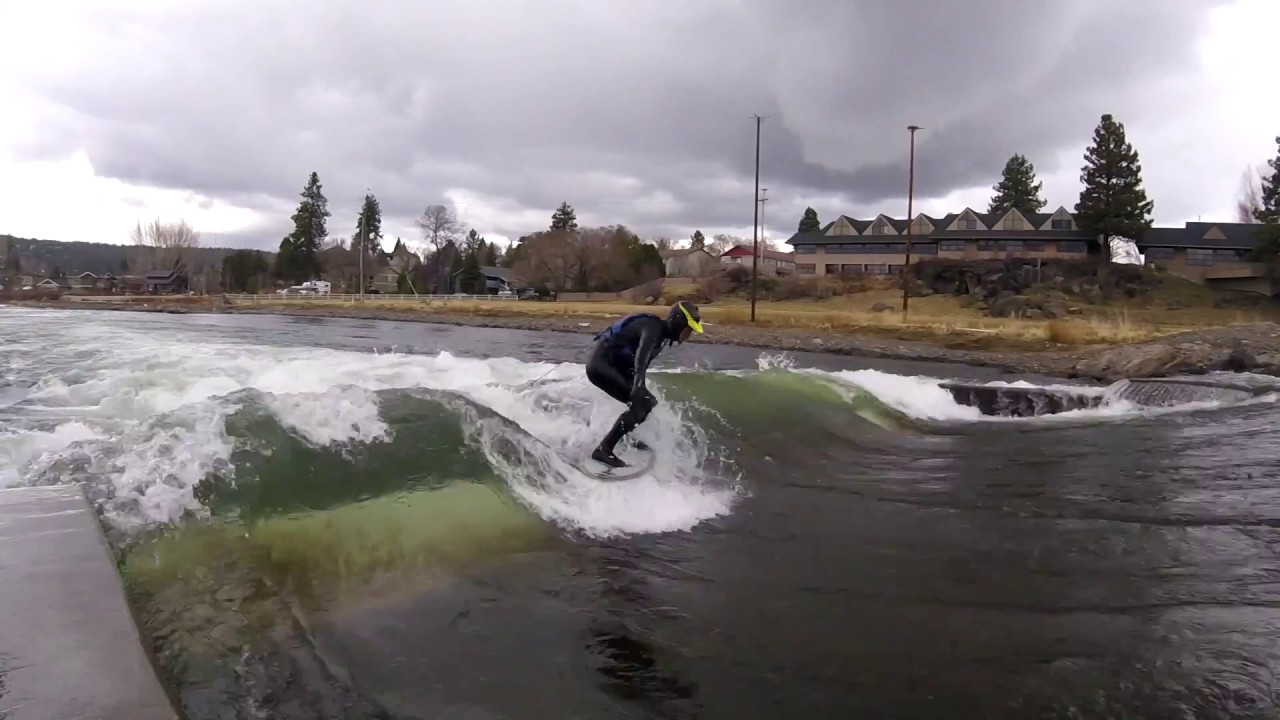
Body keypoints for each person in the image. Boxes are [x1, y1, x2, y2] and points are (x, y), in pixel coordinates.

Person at [585, 300, 703, 467]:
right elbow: (641, 355)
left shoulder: (662, 336)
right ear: (679, 324)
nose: (689, 334)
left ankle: (623, 438)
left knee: (647, 402)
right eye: (688, 329)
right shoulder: (652, 328)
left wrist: (638, 386)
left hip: (611, 366)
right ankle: (604, 450)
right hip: (600, 366)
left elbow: (641, 362)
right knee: (642, 404)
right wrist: (638, 385)